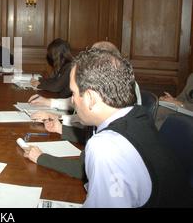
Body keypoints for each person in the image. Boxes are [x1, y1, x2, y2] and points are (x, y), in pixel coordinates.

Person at [24, 48, 192, 207]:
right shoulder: (137, 115)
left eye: (74, 93)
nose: (73, 101)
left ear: (90, 98)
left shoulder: (106, 148)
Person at [26, 41, 142, 179]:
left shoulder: (107, 144)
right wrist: (61, 128)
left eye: (74, 94)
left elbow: (83, 170)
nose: (72, 101)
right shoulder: (120, 114)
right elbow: (90, 134)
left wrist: (41, 158)